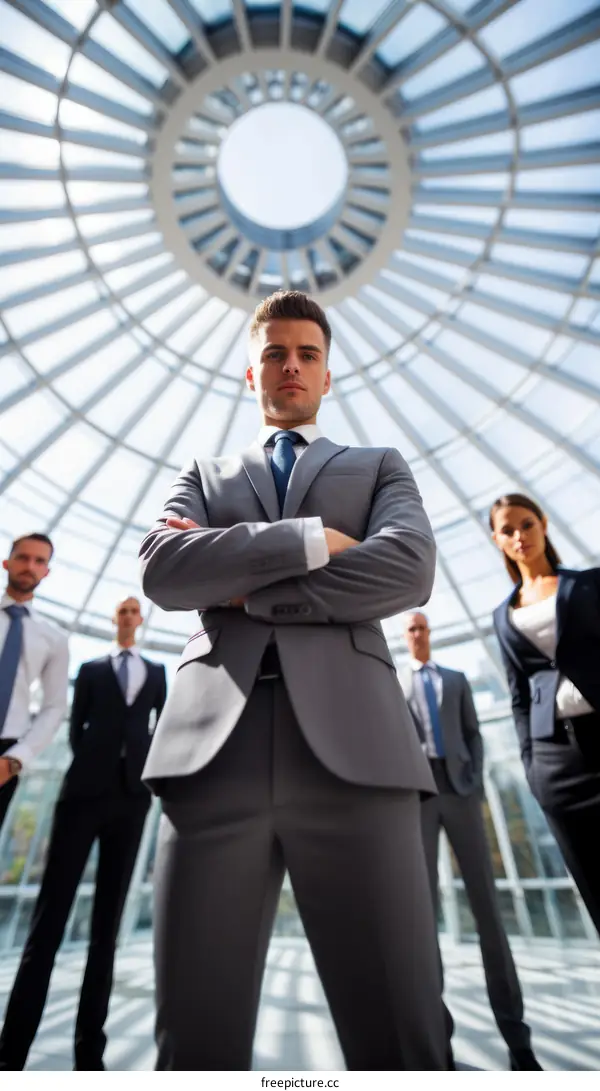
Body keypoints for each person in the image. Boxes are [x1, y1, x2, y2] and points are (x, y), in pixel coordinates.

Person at [139, 289, 447, 1070]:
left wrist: (242, 583)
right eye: (275, 352)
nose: (290, 365)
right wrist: (313, 538)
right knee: (193, 1039)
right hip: (212, 755)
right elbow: (165, 570)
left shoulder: (379, 465)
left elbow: (408, 568)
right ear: (252, 372)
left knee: (404, 1031)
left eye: (307, 353)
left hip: (361, 757)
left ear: (327, 373)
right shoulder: (202, 471)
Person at [0, 597, 167, 1071]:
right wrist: (95, 764)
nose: (130, 617)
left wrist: (137, 771)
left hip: (131, 799)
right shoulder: (92, 669)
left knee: (106, 930)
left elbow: (160, 725)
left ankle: (88, 1055)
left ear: (142, 619)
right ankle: (10, 1052)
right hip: (82, 794)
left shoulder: (157, 672)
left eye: (136, 611)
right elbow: (75, 728)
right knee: (48, 922)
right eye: (124, 611)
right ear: (115, 620)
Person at [401, 612, 541, 1072]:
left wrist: (475, 783)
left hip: (460, 793)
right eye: (411, 629)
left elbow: (475, 735)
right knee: (421, 921)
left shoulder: (457, 680)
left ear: (429, 632)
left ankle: (518, 1041)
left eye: (423, 626)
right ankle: (437, 1042)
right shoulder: (393, 685)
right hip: (418, 797)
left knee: (489, 914)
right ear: (405, 638)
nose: (418, 634)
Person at [490, 492, 600, 937]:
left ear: (544, 525)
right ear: (496, 540)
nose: (519, 536)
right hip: (556, 763)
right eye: (508, 530)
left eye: (526, 524)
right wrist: (533, 766)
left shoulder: (589, 584)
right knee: (594, 886)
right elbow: (518, 697)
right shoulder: (502, 615)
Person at [0, 533, 69, 831]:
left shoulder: (53, 638)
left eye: (39, 561)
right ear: (7, 562)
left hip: (5, 755)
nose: (30, 566)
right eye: (23, 557)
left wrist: (16, 760)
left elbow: (54, 707)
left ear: (47, 571)